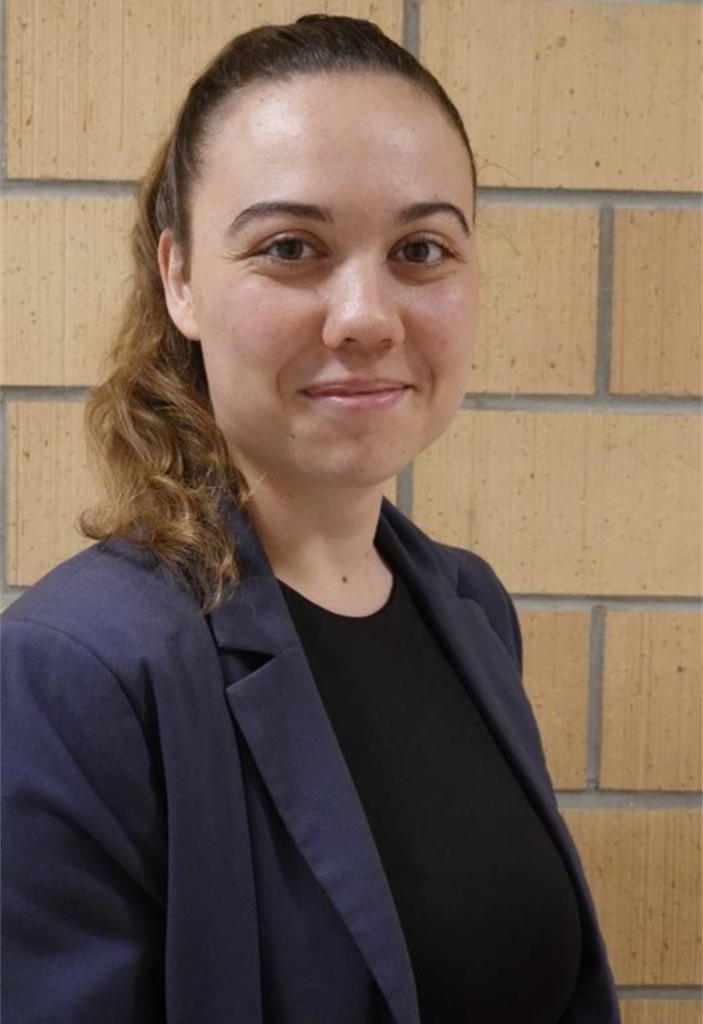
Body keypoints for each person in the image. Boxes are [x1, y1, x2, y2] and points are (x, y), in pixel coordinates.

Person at [1, 14, 620, 1024]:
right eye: (291, 248)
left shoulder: (469, 605)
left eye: (420, 249)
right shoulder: (75, 672)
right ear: (180, 279)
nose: (366, 316)